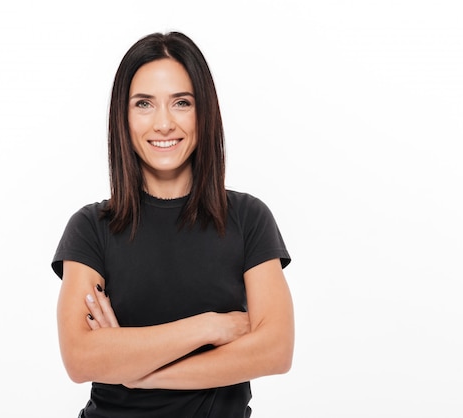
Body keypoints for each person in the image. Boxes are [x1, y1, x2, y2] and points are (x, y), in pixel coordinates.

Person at [50, 31, 294, 418]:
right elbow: (80, 358)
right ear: (123, 117)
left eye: (181, 103)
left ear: (204, 112)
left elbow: (275, 351)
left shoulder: (248, 218)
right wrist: (210, 327)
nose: (163, 123)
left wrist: (138, 371)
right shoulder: (91, 228)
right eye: (144, 104)